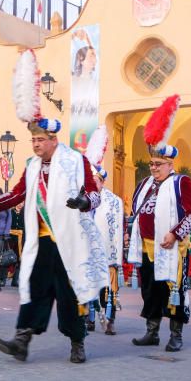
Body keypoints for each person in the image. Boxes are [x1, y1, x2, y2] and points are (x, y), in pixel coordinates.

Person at [0, 54, 104, 362]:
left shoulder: (76, 161)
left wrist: (84, 201)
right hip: (42, 241)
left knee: (68, 294)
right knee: (33, 289)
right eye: (33, 139)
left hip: (69, 242)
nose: (35, 144)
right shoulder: (32, 166)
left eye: (40, 139)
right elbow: (17, 195)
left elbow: (95, 193)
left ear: (53, 139)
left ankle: (78, 343)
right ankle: (21, 341)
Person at [128, 95, 191, 353]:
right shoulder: (144, 184)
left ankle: (176, 335)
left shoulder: (182, 183)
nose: (153, 168)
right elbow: (136, 211)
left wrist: (174, 234)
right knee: (151, 291)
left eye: (158, 164)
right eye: (151, 164)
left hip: (170, 247)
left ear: (170, 164)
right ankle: (152, 332)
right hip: (147, 246)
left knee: (173, 290)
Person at [83, 127, 125, 335]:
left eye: (96, 181)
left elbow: (116, 228)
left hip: (107, 253)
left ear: (102, 181)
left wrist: (115, 256)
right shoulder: (84, 198)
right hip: (89, 252)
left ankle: (110, 320)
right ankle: (89, 318)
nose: (94, 184)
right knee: (90, 287)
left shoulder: (113, 202)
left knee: (109, 290)